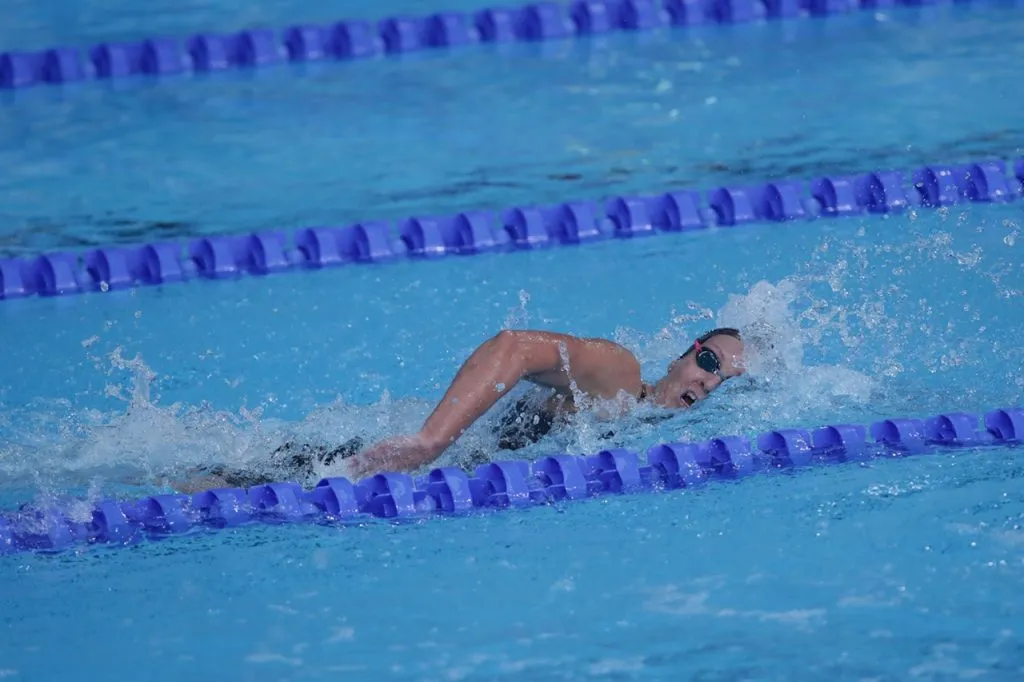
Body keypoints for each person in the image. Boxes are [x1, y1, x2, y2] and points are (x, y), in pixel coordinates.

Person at [179, 327, 744, 491]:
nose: (708, 382)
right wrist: (430, 441)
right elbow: (514, 347)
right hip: (390, 461)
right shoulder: (619, 376)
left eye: (726, 382)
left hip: (431, 476)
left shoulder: (663, 443)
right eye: (709, 362)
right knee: (211, 486)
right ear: (684, 353)